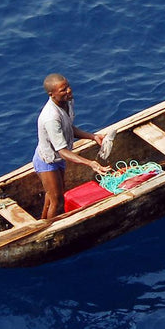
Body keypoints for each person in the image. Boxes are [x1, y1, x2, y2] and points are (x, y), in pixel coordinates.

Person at [34, 73, 111, 220]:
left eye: (68, 87)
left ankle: (42, 221)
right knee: (57, 201)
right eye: (63, 90)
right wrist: (90, 163)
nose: (68, 91)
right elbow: (62, 151)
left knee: (53, 194)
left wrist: (93, 136)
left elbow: (68, 127)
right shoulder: (51, 118)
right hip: (48, 160)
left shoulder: (67, 102)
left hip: (58, 158)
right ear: (52, 94)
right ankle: (49, 230)